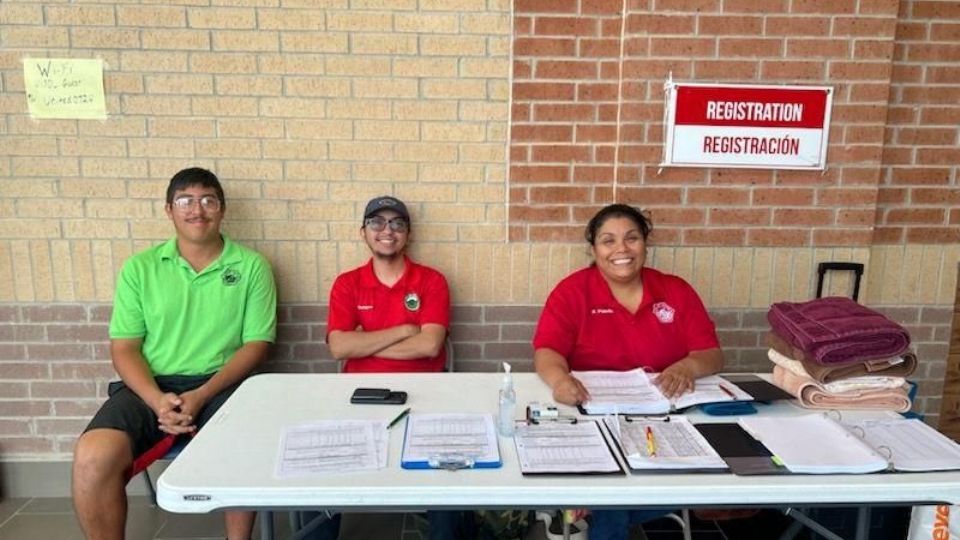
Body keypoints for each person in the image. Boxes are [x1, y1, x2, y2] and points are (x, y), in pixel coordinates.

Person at [71, 168, 277, 540]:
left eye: (207, 200)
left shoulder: (251, 266)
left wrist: (200, 395)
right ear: (169, 210)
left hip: (222, 384)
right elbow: (125, 347)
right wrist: (157, 400)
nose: (197, 210)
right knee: (93, 455)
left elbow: (257, 345)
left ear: (222, 209)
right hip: (150, 386)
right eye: (186, 200)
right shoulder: (140, 268)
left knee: (242, 444)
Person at [533, 203, 724, 540]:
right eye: (608, 241)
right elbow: (547, 351)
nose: (621, 249)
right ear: (593, 250)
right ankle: (593, 508)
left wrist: (687, 366)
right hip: (593, 418)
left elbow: (711, 354)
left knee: (610, 499)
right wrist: (560, 380)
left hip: (662, 419)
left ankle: (584, 508)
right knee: (612, 497)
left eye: (631, 238)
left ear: (645, 244)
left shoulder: (675, 290)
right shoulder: (573, 291)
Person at [319, 195, 469, 540]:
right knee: (321, 472)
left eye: (397, 224)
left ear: (408, 234)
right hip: (359, 397)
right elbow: (339, 347)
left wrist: (367, 342)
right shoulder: (348, 283)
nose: (387, 231)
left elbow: (430, 345)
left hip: (426, 396)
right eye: (377, 223)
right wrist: (403, 330)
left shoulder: (432, 281)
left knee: (448, 476)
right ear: (363, 233)